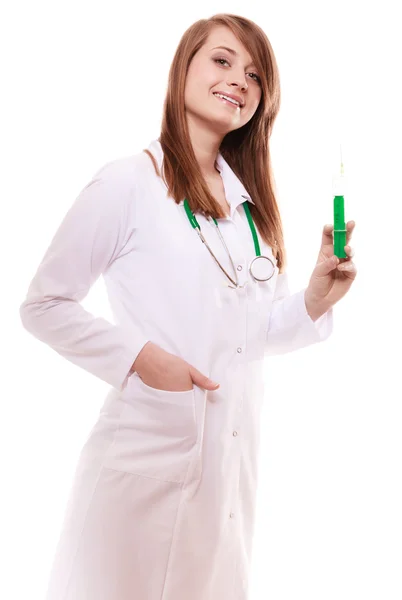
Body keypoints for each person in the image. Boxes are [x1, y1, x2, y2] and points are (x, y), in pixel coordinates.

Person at [19, 12, 357, 600]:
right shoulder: (128, 182)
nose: (239, 82)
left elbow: (250, 336)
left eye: (255, 75)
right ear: (184, 70)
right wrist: (143, 358)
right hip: (144, 462)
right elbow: (44, 304)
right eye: (222, 61)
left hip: (227, 476)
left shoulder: (251, 209)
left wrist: (312, 298)